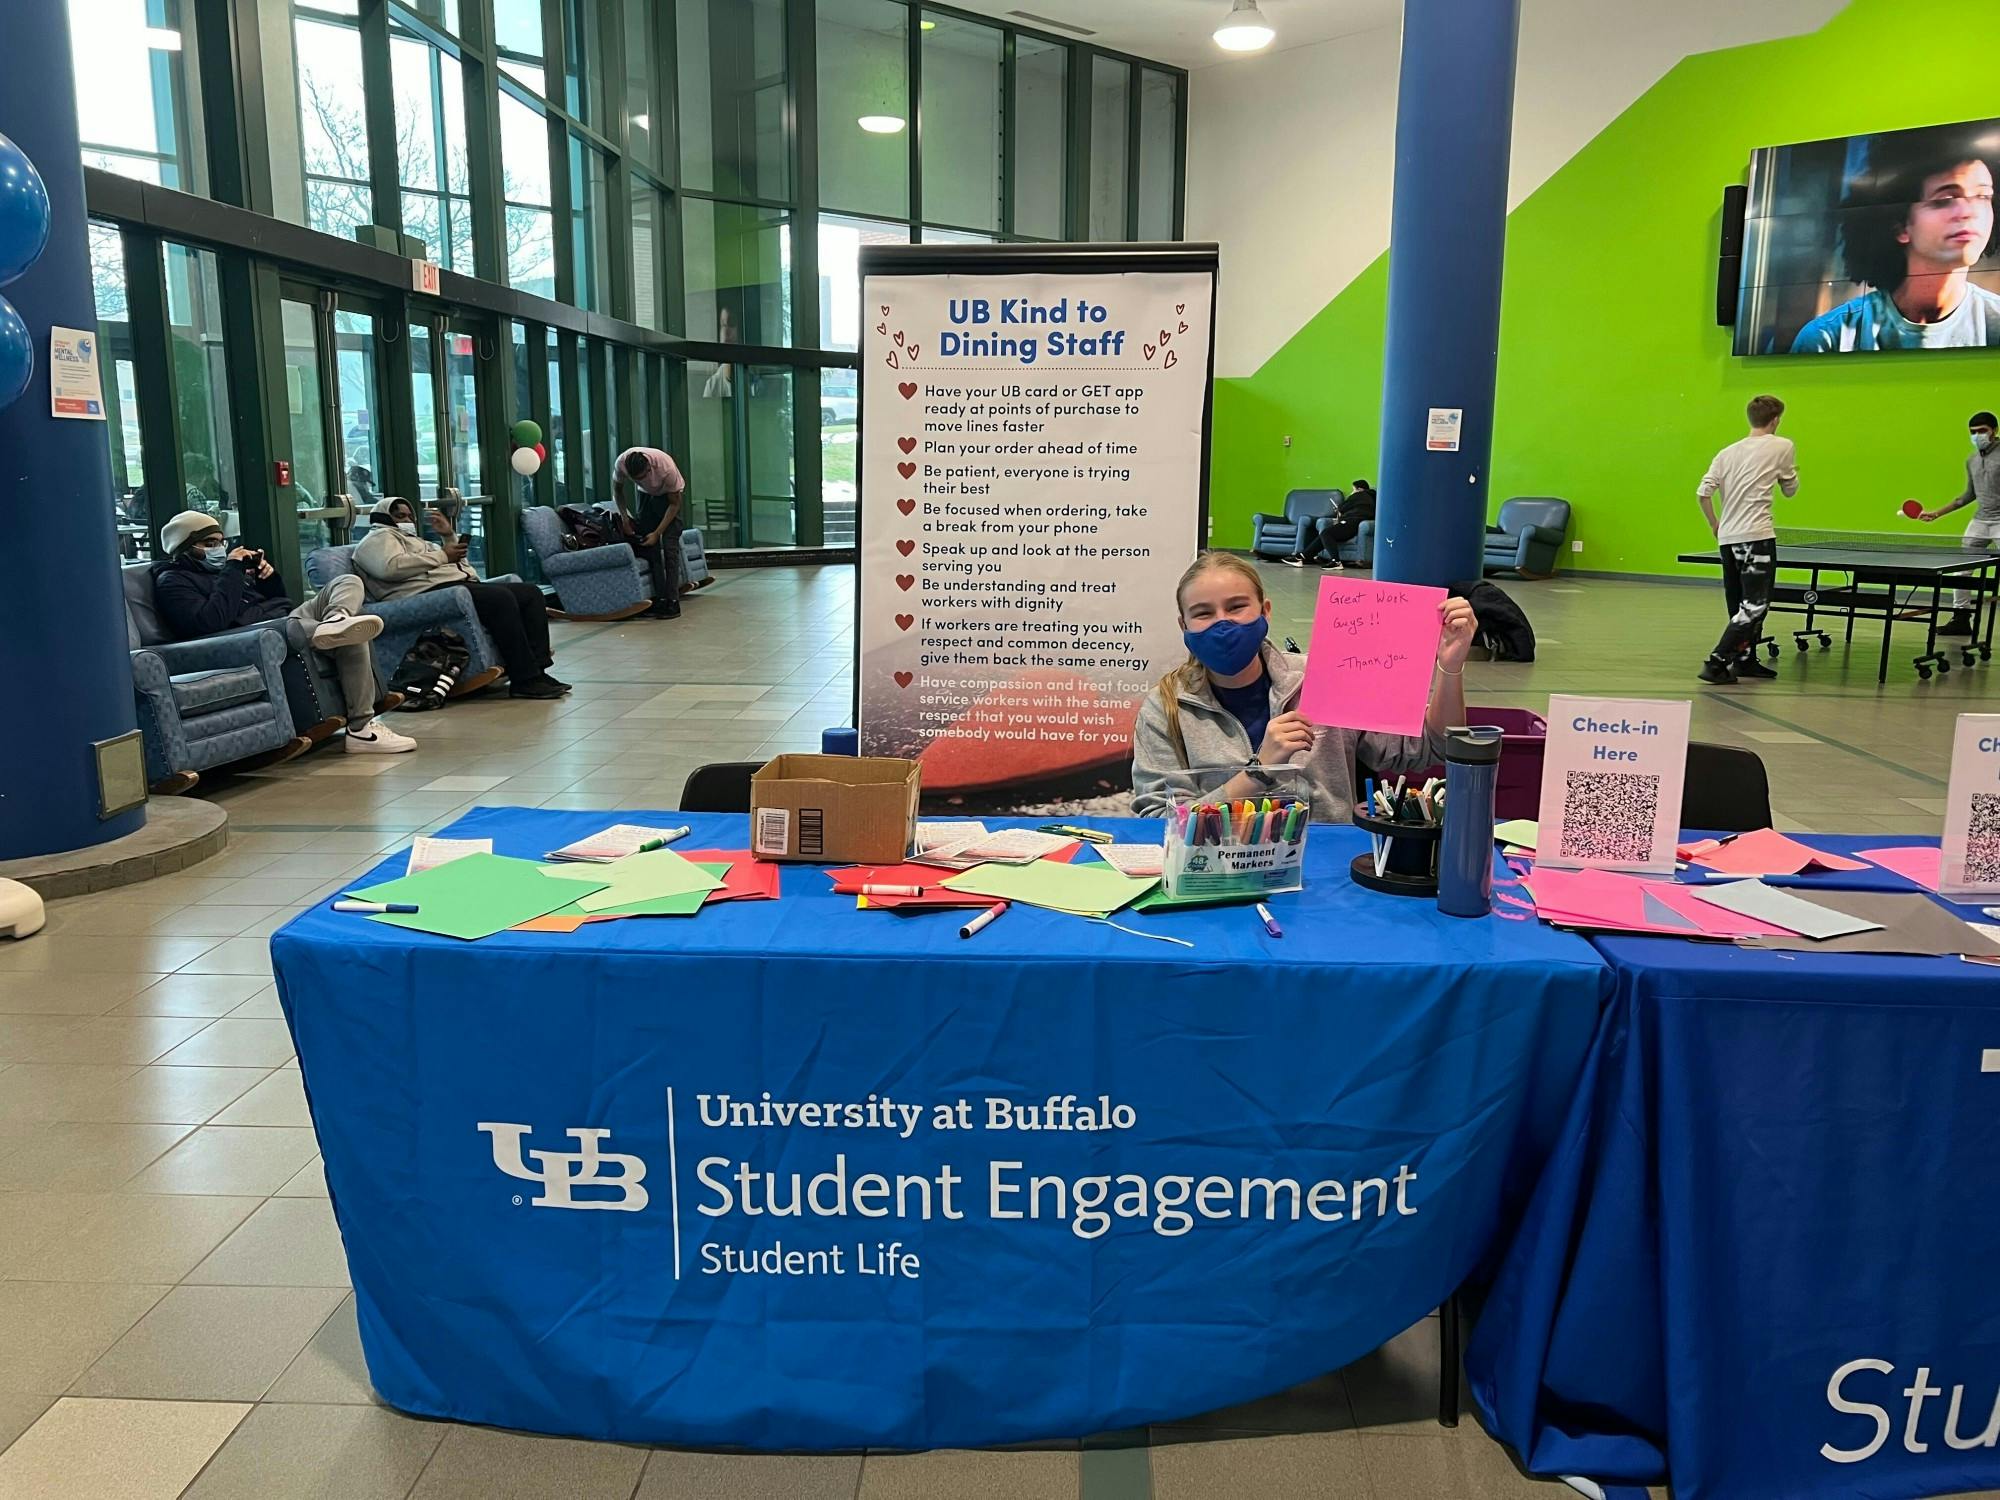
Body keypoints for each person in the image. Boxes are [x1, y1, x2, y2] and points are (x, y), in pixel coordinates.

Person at [1131, 551, 1476, 820]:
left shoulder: (1327, 676)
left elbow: (1433, 748)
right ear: (1184, 624)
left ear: (1265, 611)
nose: (1223, 623)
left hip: (1327, 872)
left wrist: (1450, 666)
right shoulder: (1166, 707)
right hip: (1216, 871)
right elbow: (1160, 823)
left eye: (1237, 607)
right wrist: (1258, 772)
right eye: (1204, 613)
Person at [151, 510, 417, 755]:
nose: (219, 549)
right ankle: (362, 729)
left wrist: (267, 580)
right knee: (352, 633)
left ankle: (338, 617)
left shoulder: (224, 572)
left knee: (348, 583)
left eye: (221, 542)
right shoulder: (172, 581)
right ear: (187, 548)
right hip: (252, 636)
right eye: (209, 543)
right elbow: (211, 622)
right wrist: (233, 571)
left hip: (284, 621)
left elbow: (279, 604)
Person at [1792, 131, 2000, 353]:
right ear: (1900, 226)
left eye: (1982, 196)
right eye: (1946, 199)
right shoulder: (1829, 338)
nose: (1969, 212)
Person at [353, 498, 570, 700]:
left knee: (529, 593)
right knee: (500, 598)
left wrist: (448, 537)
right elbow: (389, 568)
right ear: (383, 517)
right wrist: (443, 555)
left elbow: (461, 568)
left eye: (410, 516)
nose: (408, 520)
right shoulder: (376, 539)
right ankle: (525, 679)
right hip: (422, 593)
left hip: (454, 586)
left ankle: (538, 670)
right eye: (401, 516)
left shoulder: (419, 542)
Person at [1696, 394, 1798, 685]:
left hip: (1727, 539)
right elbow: (1790, 490)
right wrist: (1790, 477)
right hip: (1756, 537)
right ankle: (1717, 662)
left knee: (1739, 604)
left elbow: (1702, 493)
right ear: (1776, 420)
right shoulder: (1783, 446)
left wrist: (1715, 524)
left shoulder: (1726, 452)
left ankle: (1745, 660)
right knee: (1754, 605)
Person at [1908, 409, 2000, 635]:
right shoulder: (1971, 460)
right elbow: (1968, 495)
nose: (1977, 436)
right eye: (1973, 432)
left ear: (1994, 431)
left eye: (1982, 431)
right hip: (1980, 521)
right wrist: (1937, 513)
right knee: (1962, 570)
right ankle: (1960, 618)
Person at [611, 446, 686, 619]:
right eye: (635, 479)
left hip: (668, 498)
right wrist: (625, 519)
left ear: (649, 468)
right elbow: (617, 491)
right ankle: (659, 599)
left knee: (670, 549)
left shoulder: (666, 468)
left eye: (642, 477)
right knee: (650, 549)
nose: (639, 480)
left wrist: (658, 532)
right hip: (645, 497)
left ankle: (673, 602)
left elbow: (674, 504)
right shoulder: (621, 463)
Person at [1284, 480, 1378, 568]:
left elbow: (1342, 507)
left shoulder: (1359, 495)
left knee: (1326, 533)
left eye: (1353, 489)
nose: (1352, 492)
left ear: (1360, 489)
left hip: (1352, 522)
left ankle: (1336, 562)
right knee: (1324, 535)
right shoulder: (1372, 498)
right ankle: (1301, 557)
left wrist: (1339, 510)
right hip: (1356, 523)